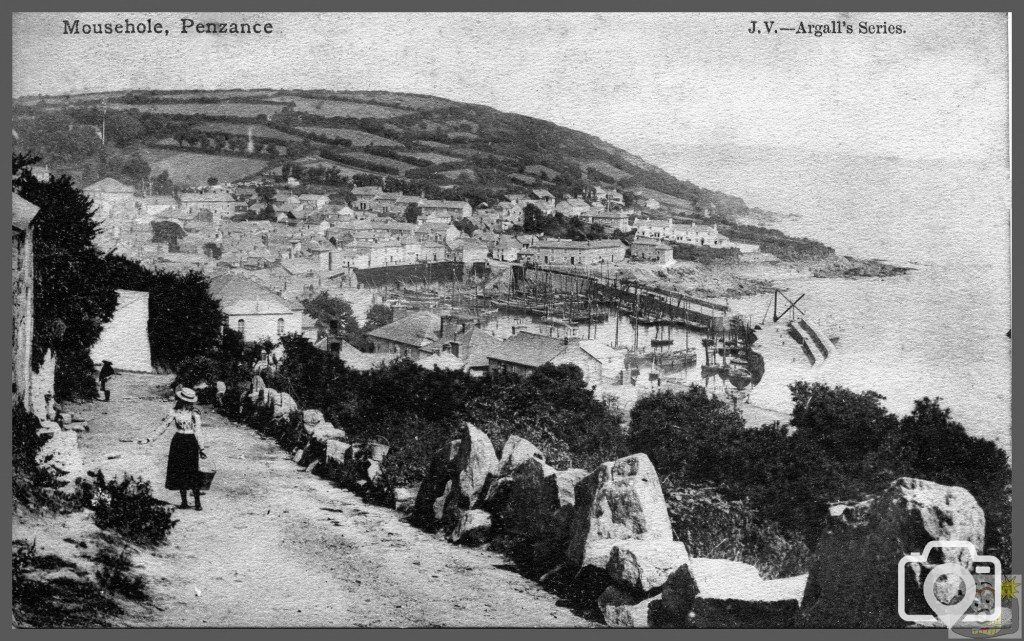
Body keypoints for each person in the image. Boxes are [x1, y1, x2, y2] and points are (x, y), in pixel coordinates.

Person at [138, 387, 208, 510]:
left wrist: (202, 448)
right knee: (180, 471)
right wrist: (150, 439)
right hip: (178, 442)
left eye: (188, 402)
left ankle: (197, 502)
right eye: (185, 401)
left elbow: (198, 431)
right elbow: (163, 426)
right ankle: (184, 502)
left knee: (193, 471)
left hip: (191, 442)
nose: (186, 403)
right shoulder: (174, 412)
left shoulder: (195, 413)